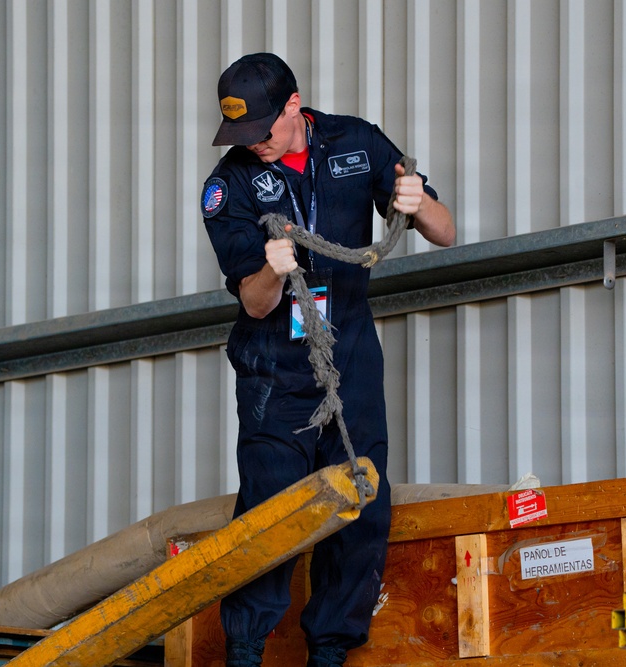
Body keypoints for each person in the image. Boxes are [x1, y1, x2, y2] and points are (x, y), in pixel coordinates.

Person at [200, 53, 455, 667]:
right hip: (275, 366)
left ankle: (332, 652)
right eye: (239, 134)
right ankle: (246, 649)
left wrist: (417, 203)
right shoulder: (227, 184)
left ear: (293, 106)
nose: (252, 144)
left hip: (351, 355)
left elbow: (446, 232)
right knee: (270, 504)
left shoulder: (355, 141)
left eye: (261, 129)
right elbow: (257, 304)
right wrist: (271, 267)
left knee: (362, 502)